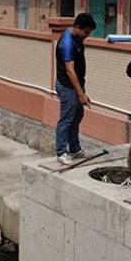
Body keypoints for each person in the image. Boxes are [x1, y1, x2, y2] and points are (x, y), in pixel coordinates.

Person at [55, 13, 97, 166]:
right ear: (77, 27)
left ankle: (74, 148)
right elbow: (70, 71)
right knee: (66, 119)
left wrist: (82, 91)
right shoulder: (67, 43)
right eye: (86, 32)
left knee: (77, 116)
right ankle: (61, 152)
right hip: (67, 86)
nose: (87, 35)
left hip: (77, 85)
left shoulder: (77, 38)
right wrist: (81, 94)